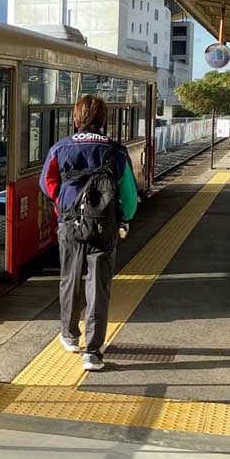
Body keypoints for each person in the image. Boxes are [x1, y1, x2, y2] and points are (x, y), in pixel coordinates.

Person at [40, 95, 137, 371]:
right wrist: (124, 218)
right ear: (104, 120)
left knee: (70, 278)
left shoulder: (60, 148)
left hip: (70, 225)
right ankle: (93, 353)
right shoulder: (115, 151)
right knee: (99, 286)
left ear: (75, 118)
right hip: (104, 226)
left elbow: (46, 182)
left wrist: (64, 203)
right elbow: (128, 194)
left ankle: (70, 336)